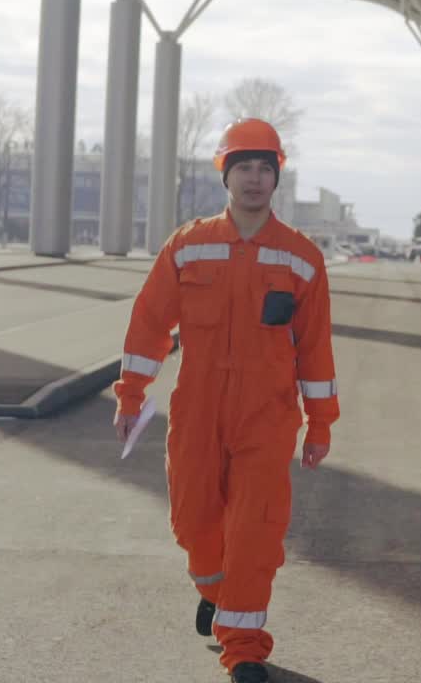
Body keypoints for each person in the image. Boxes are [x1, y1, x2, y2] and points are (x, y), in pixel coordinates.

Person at [112, 117, 339, 683]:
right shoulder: (189, 247)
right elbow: (149, 323)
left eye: (266, 168)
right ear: (226, 175)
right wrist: (131, 393)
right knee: (194, 524)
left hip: (267, 418)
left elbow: (315, 350)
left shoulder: (302, 259)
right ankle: (213, 590)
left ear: (276, 176)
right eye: (245, 168)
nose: (255, 179)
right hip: (198, 411)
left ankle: (244, 648)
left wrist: (320, 424)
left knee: (255, 531)